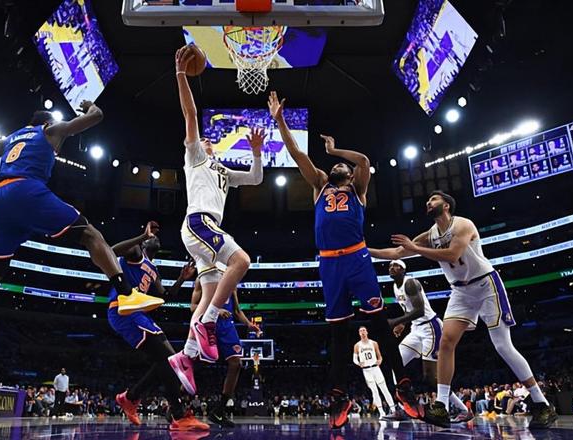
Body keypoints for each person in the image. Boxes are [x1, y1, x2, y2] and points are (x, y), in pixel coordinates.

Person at [0, 102, 161, 396]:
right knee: (91, 234)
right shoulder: (49, 130)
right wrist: (90, 106)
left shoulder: (10, 139)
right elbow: (98, 116)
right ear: (47, 123)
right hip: (24, 190)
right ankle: (126, 293)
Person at [266, 91, 421, 429]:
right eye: (336, 165)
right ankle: (339, 396)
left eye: (342, 167)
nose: (338, 167)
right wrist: (280, 121)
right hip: (329, 264)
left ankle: (404, 387)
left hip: (357, 258)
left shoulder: (358, 189)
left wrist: (335, 151)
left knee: (379, 324)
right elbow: (296, 153)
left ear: (350, 175)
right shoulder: (319, 184)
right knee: (337, 332)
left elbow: (363, 160)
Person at [369, 190, 557, 428]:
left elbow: (452, 254)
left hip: (486, 284)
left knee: (502, 346)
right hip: (460, 291)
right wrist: (364, 250)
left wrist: (415, 248)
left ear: (446, 205)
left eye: (433, 199)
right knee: (446, 342)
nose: (428, 202)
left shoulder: (463, 225)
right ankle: (441, 406)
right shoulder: (430, 235)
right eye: (428, 200)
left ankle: (541, 403)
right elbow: (397, 252)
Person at [169, 45, 264, 383]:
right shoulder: (196, 158)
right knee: (242, 261)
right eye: (204, 138)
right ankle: (207, 322)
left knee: (210, 295)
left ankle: (185, 355)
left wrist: (256, 153)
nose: (206, 140)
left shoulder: (223, 171)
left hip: (203, 234)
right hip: (199, 223)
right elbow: (190, 114)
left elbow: (255, 179)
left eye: (210, 140)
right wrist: (181, 75)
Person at [107, 224, 208, 431]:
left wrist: (182, 278)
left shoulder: (153, 270)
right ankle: (178, 415)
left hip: (139, 313)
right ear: (144, 243)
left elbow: (165, 297)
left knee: (168, 360)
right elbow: (111, 251)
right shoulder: (136, 253)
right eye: (150, 237)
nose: (155, 237)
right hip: (124, 310)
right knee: (169, 359)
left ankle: (131, 397)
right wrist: (141, 236)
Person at [380, 259, 472, 423]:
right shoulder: (395, 286)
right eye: (390, 266)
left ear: (403, 270)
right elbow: (409, 310)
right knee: (396, 364)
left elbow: (420, 310)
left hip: (431, 328)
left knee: (430, 377)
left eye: (396, 266)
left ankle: (464, 410)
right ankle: (403, 408)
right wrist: (403, 324)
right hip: (416, 329)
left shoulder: (411, 283)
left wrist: (395, 321)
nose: (392, 268)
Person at [189, 280, 261, 427]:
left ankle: (219, 410)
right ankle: (176, 404)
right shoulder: (203, 277)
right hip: (208, 324)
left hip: (227, 326)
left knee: (236, 364)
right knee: (193, 363)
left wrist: (248, 324)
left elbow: (237, 311)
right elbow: (193, 307)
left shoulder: (232, 279)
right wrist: (216, 310)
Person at [352, 327, 398, 419]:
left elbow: (379, 356)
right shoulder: (357, 345)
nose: (362, 332)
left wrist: (380, 360)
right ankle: (381, 412)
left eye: (364, 330)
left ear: (367, 332)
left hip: (375, 368)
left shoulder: (374, 343)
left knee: (384, 389)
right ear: (359, 333)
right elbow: (354, 359)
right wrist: (358, 363)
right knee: (374, 391)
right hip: (366, 370)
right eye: (360, 331)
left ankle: (393, 410)